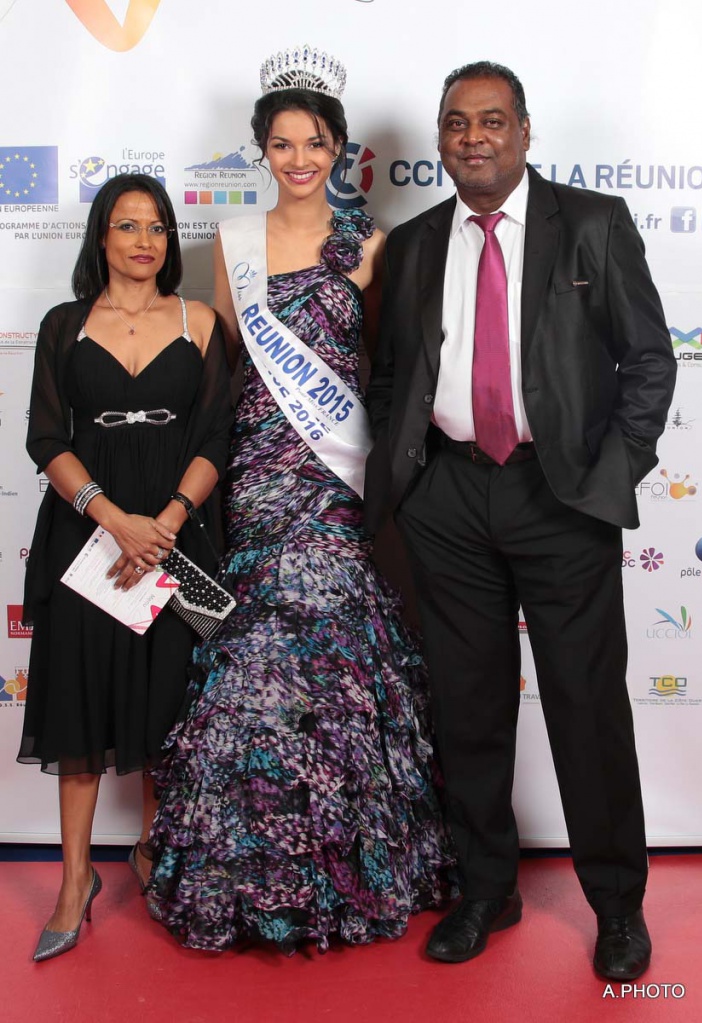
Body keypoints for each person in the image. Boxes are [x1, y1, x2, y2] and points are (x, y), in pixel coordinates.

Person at [364, 61, 676, 978]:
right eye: (457, 123)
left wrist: (607, 477)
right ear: (441, 138)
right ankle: (485, 889)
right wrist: (412, 478)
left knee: (586, 707)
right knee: (468, 707)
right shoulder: (416, 243)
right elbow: (394, 375)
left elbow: (648, 361)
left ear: (526, 131)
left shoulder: (592, 224)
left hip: (560, 495)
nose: (474, 138)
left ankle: (616, 905)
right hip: (449, 499)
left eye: (492, 120)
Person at [146, 46, 455, 954]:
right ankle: (246, 868)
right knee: (252, 653)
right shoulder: (231, 242)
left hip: (336, 477)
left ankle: (344, 863)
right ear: (262, 152)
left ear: (340, 149)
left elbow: (384, 370)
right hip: (256, 477)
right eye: (281, 144)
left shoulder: (372, 244)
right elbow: (227, 373)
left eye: (315, 143)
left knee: (334, 650)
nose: (299, 159)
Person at [19, 173, 232, 961]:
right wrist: (114, 520)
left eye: (157, 227)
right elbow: (47, 438)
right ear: (101, 237)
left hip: (178, 538)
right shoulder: (64, 324)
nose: (144, 240)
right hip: (89, 541)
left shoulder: (201, 322)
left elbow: (216, 437)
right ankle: (75, 879)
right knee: (79, 708)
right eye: (127, 225)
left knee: (166, 708)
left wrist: (166, 523)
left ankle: (151, 852)